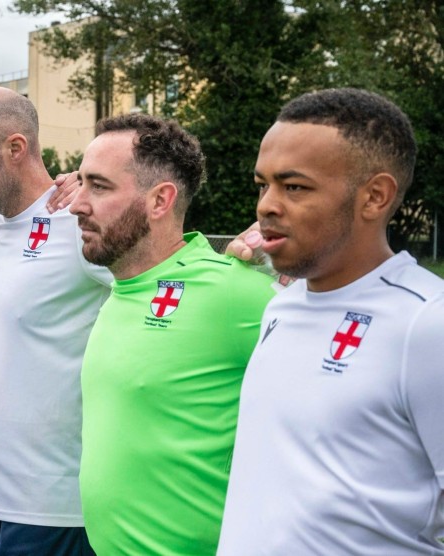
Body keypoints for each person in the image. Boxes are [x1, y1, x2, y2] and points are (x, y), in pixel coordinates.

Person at [217, 88, 444, 554]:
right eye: (263, 184)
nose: (266, 205)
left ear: (375, 197)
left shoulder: (427, 323)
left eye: (293, 186)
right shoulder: (281, 305)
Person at [69, 113, 277, 554]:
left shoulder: (233, 290)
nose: (77, 203)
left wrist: (304, 281)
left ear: (160, 200)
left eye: (99, 186)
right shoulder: (119, 289)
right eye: (80, 182)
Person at [0, 86, 111, 554]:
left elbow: (158, 275)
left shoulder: (79, 224)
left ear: (15, 148)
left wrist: (96, 188)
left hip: (52, 509)